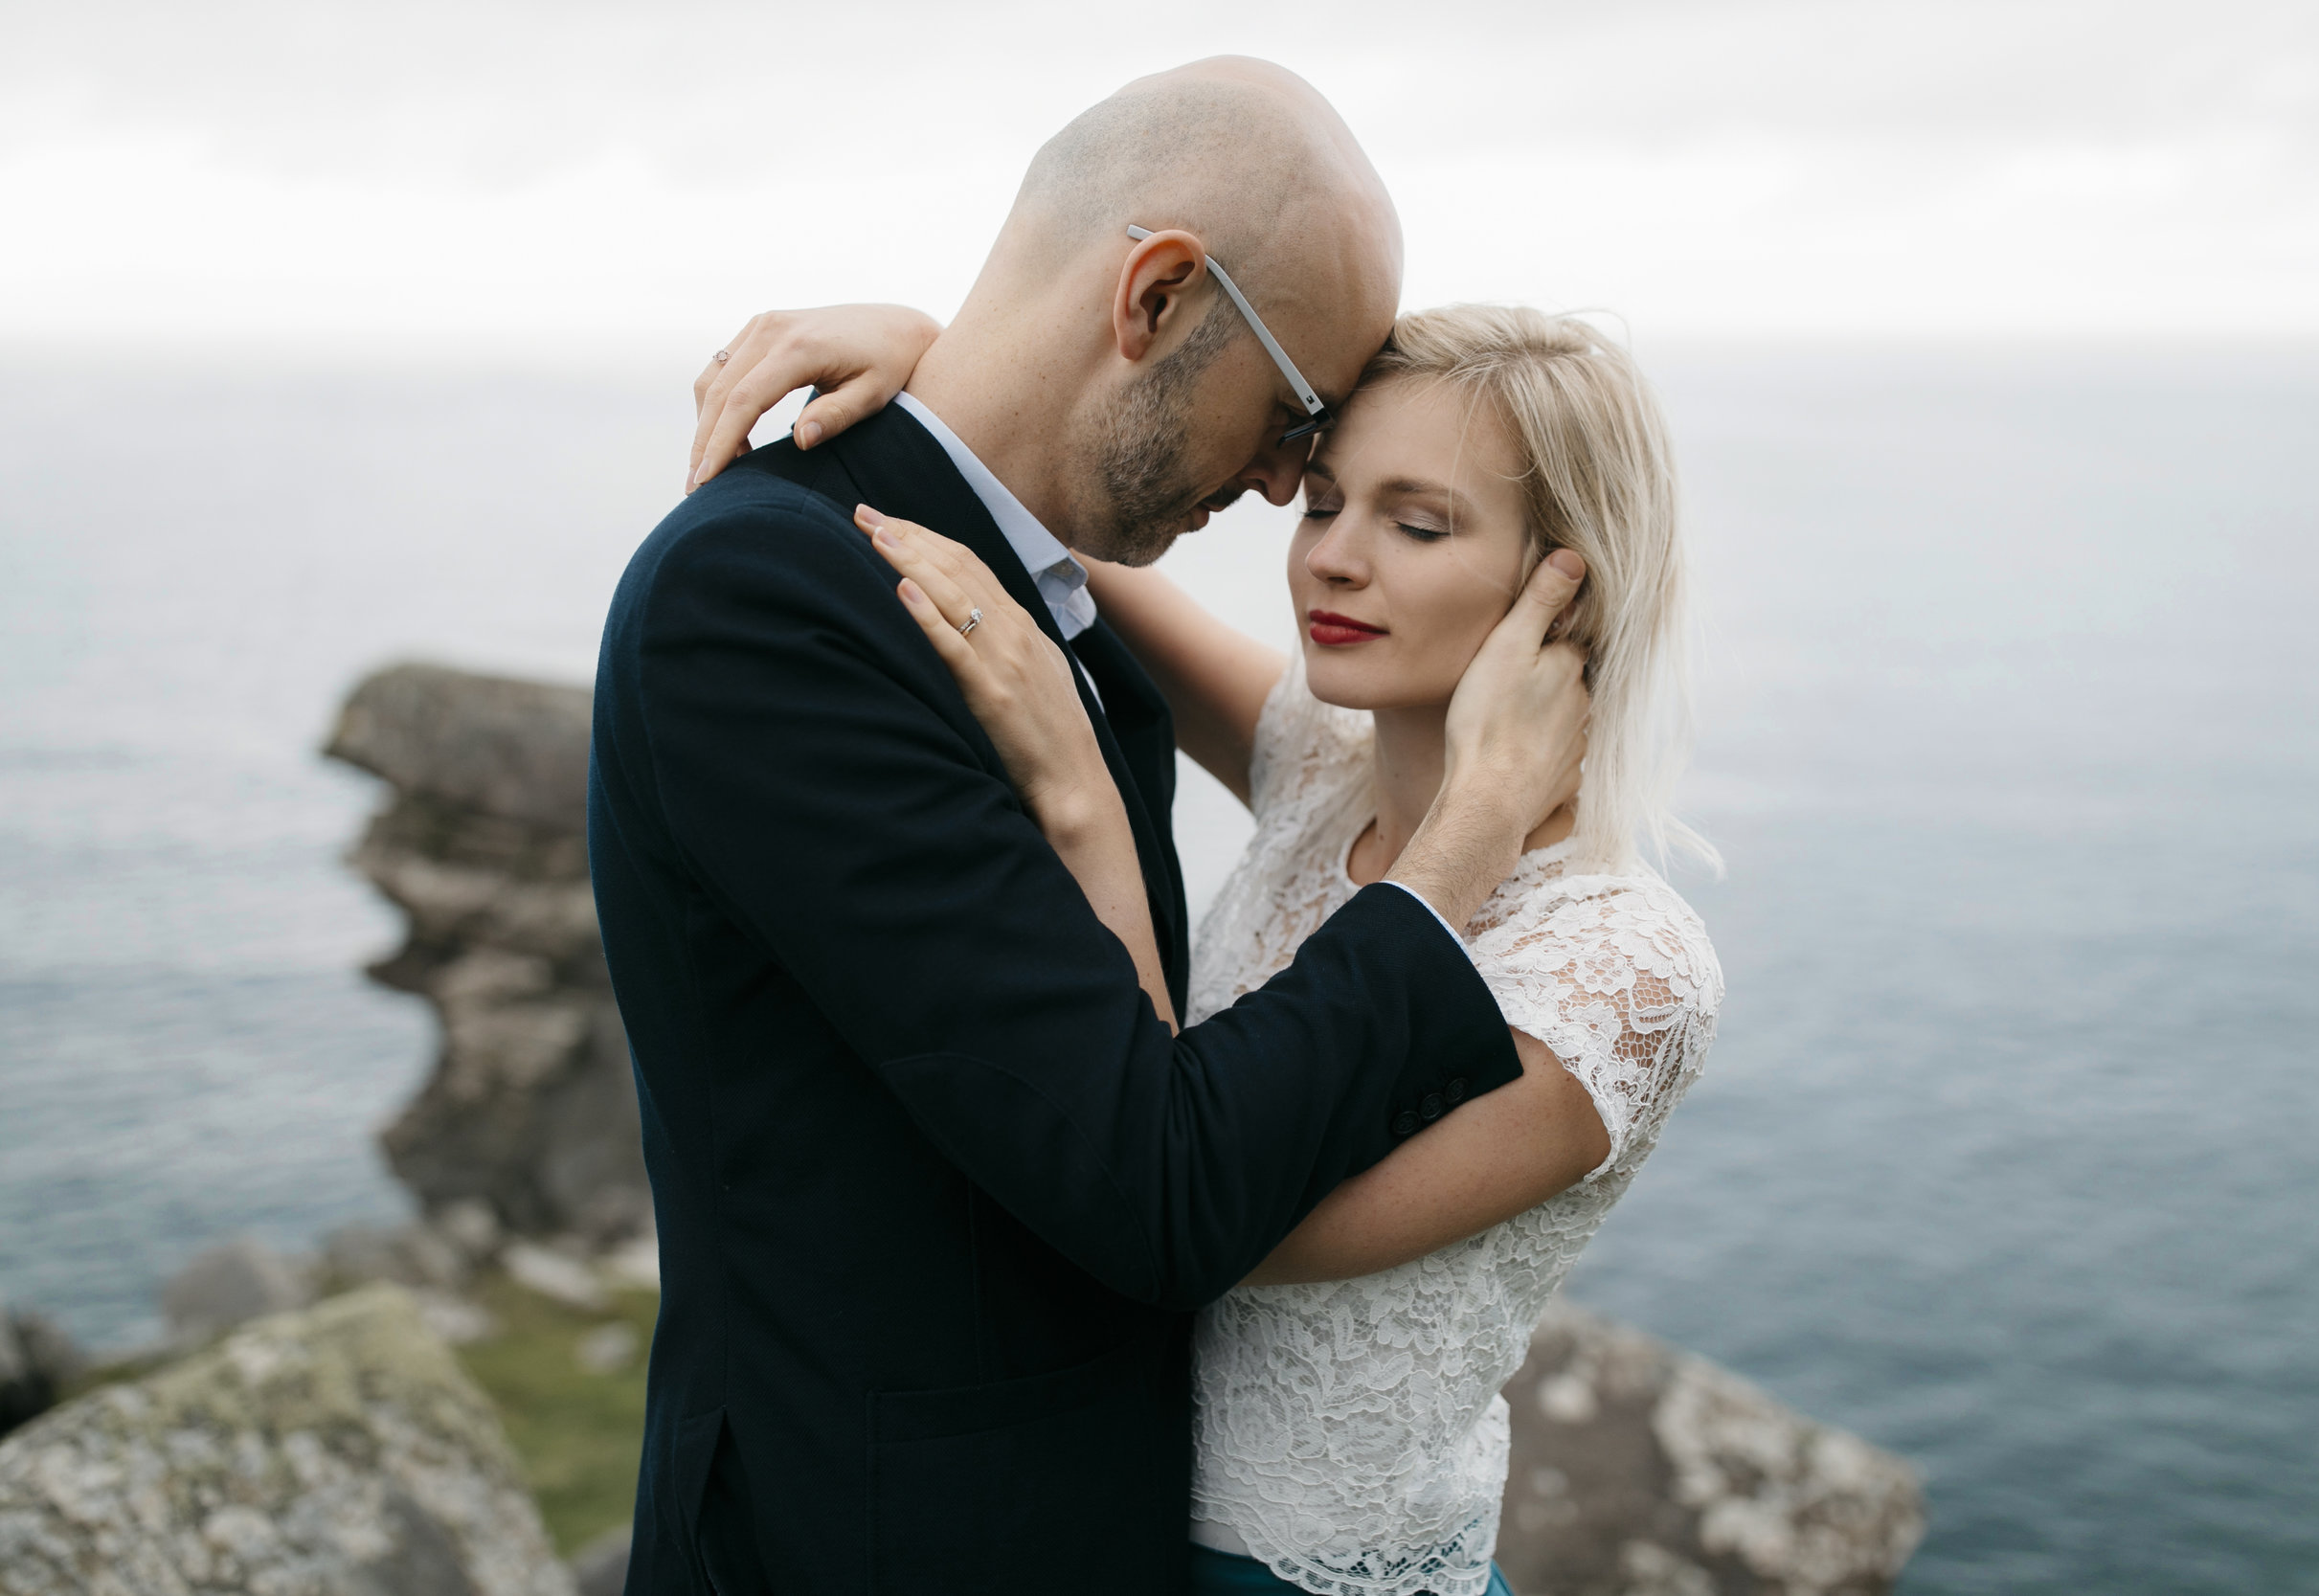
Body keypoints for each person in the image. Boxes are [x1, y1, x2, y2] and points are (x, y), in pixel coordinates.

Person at [591, 59, 1592, 1596]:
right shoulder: (767, 608)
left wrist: (938, 364)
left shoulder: (1018, 593)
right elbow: (1156, 1186)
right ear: (1158, 299)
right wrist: (1468, 839)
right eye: (1290, 419)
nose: (1280, 490)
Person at [703, 302, 1723, 1596]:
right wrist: (948, 366)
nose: (1331, 562)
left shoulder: (1618, 972)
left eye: (1415, 524)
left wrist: (1083, 798)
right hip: (1089, 1533)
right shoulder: (1322, 770)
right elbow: (1053, 524)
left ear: (1565, 592)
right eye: (1323, 506)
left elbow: (1199, 1216)